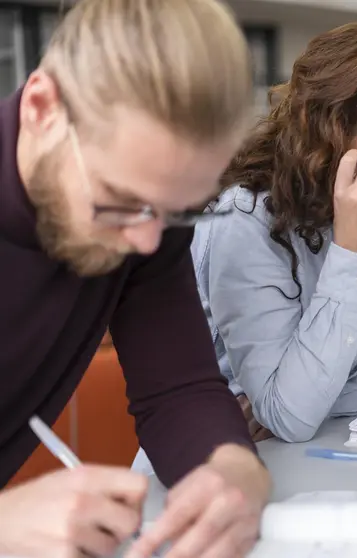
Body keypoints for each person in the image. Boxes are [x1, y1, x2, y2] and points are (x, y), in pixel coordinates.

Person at [0, 0, 271, 557]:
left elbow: (179, 389)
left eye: (179, 211)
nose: (148, 242)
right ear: (42, 108)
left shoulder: (149, 221)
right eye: (121, 202)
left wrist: (234, 472)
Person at [173, 23, 357, 442]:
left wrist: (315, 400)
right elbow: (291, 420)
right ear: (333, 131)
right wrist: (353, 255)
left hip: (325, 452)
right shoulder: (246, 219)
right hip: (216, 470)